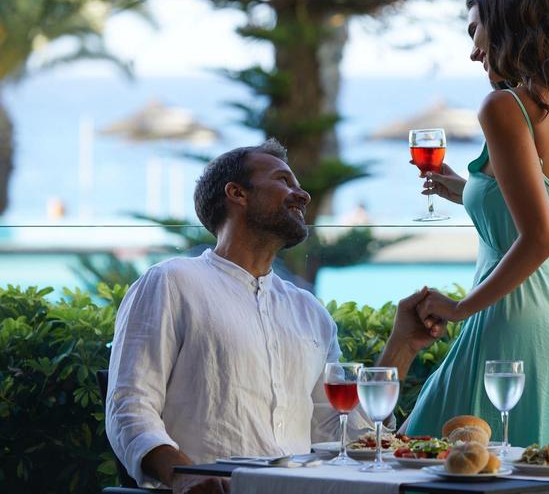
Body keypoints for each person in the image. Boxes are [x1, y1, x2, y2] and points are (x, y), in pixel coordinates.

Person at [106, 139, 444, 494]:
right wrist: (183, 476)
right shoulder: (172, 282)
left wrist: (402, 346)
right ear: (237, 193)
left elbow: (342, 435)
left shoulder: (309, 311)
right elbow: (130, 406)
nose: (304, 195)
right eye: (284, 180)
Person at [404, 0, 549, 451]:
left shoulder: (504, 106)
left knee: (425, 455)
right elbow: (546, 211)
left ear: (504, 24)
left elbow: (540, 238)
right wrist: (467, 191)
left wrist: (459, 308)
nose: (474, 51)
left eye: (475, 31)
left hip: (510, 322)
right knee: (529, 472)